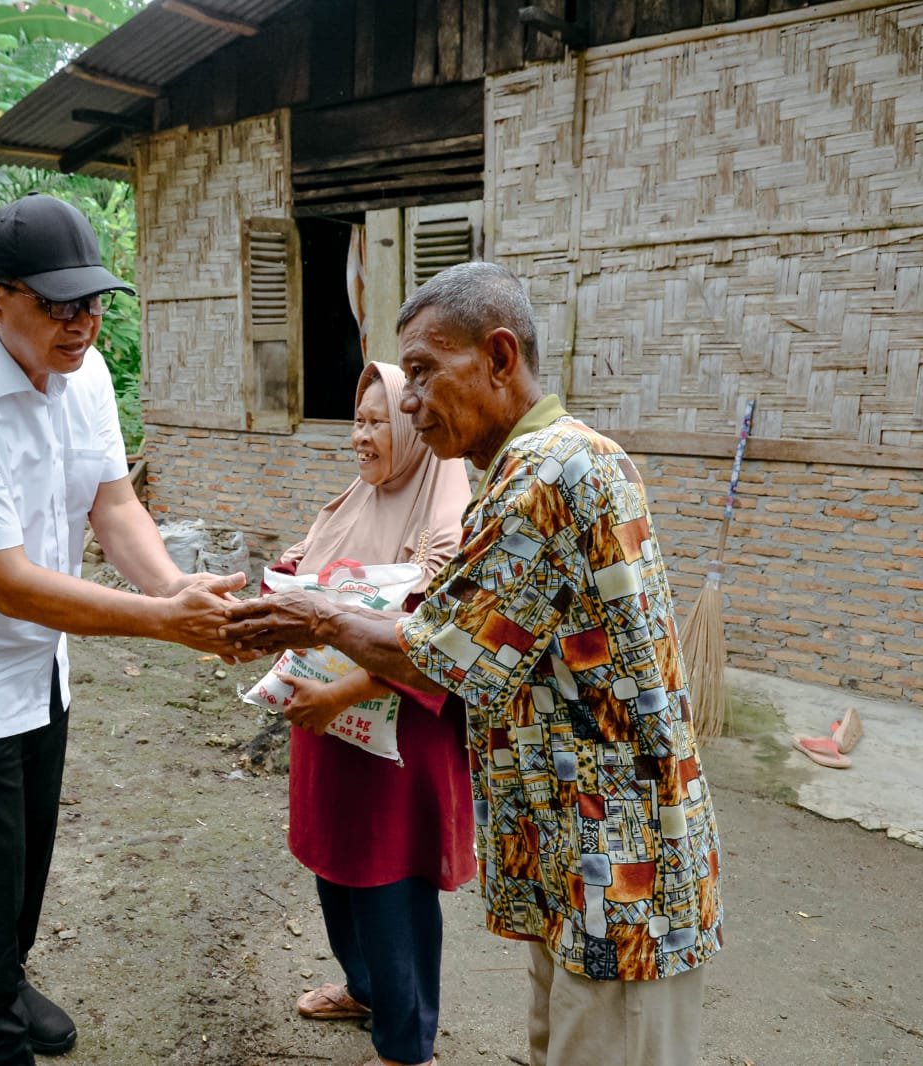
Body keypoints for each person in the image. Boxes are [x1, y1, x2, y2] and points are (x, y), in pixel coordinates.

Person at [223, 262, 723, 1066]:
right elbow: (450, 630)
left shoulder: (550, 474)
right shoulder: (537, 467)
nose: (409, 399)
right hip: (586, 862)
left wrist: (314, 615)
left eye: (423, 370)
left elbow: (441, 657)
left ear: (498, 357)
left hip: (620, 873)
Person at [0, 193, 244, 1066]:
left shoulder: (86, 374)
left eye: (93, 304)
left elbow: (113, 504)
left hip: (43, 653)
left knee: (30, 846)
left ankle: (7, 981)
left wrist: (176, 585)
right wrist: (165, 621)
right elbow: (6, 583)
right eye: (57, 305)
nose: (81, 325)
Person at [276, 361, 474, 1066]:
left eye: (377, 423)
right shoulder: (352, 504)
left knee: (392, 886)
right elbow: (309, 582)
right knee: (337, 869)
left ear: (414, 434)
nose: (360, 437)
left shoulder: (446, 528)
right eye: (356, 422)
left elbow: (437, 643)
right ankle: (364, 989)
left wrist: (340, 692)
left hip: (397, 743)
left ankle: (407, 1045)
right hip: (329, 727)